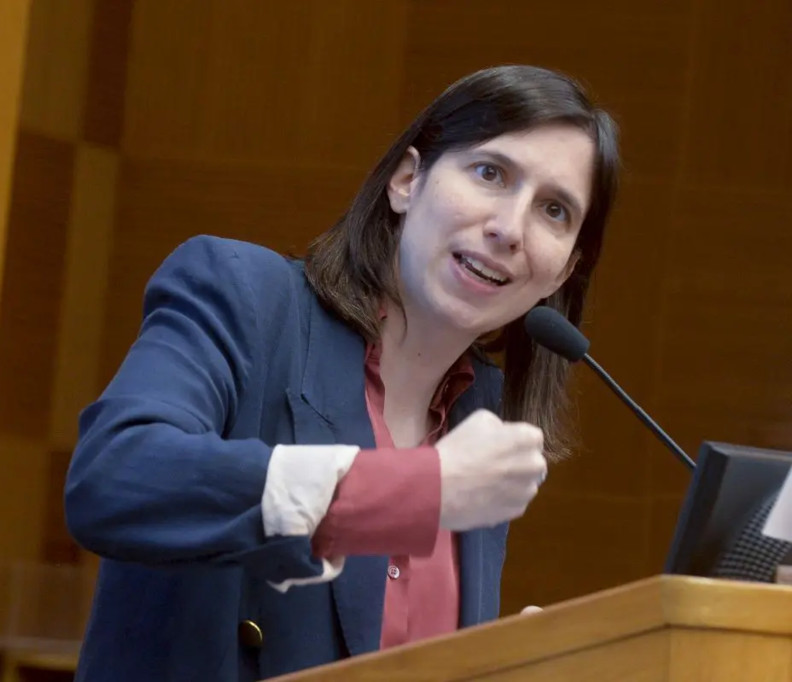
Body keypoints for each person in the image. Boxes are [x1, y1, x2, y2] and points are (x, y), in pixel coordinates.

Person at [64, 64, 621, 681]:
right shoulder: (245, 298)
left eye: (554, 210)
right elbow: (112, 478)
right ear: (407, 181)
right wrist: (410, 489)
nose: (509, 229)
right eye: (490, 173)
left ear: (564, 269)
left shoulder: (483, 420)